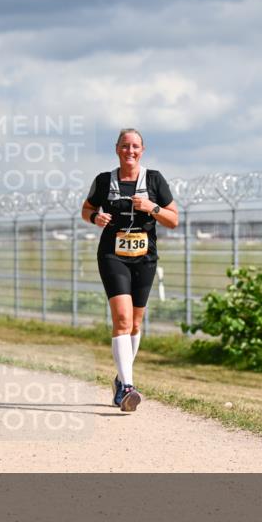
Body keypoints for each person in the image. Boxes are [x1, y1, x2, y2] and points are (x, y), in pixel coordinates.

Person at [81, 128, 178, 412]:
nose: (130, 151)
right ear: (117, 149)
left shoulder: (154, 179)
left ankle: (120, 379)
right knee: (122, 319)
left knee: (135, 323)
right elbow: (86, 209)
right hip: (113, 255)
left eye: (135, 146)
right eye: (125, 146)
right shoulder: (103, 180)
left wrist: (152, 207)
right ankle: (127, 387)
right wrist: (96, 217)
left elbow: (174, 219)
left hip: (145, 257)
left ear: (142, 150)